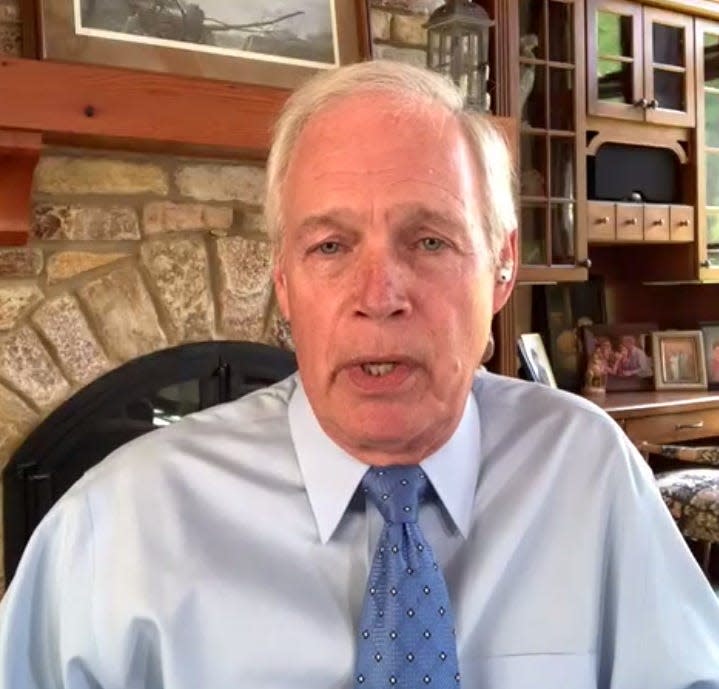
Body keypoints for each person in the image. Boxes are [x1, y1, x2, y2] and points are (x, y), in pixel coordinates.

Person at [0, 60, 717, 688]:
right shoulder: (117, 524)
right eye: (331, 245)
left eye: (429, 240)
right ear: (283, 281)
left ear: (501, 269)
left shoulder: (585, 471)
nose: (379, 295)